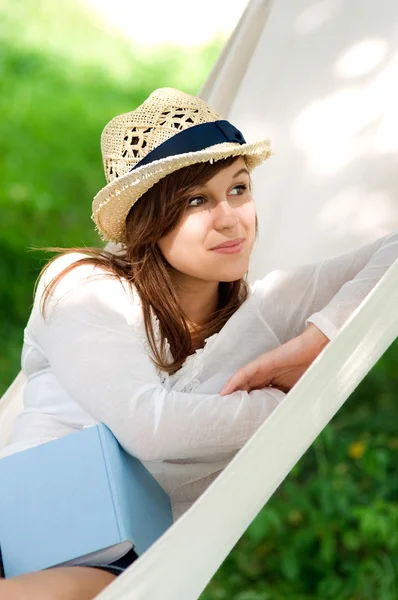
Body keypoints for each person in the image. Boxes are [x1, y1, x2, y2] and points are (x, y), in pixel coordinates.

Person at [0, 87, 397, 599]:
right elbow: (151, 427)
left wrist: (319, 339)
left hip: (125, 566)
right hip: (21, 521)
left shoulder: (268, 311)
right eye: (196, 200)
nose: (230, 218)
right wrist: (293, 402)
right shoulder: (84, 287)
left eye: (238, 188)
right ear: (149, 219)